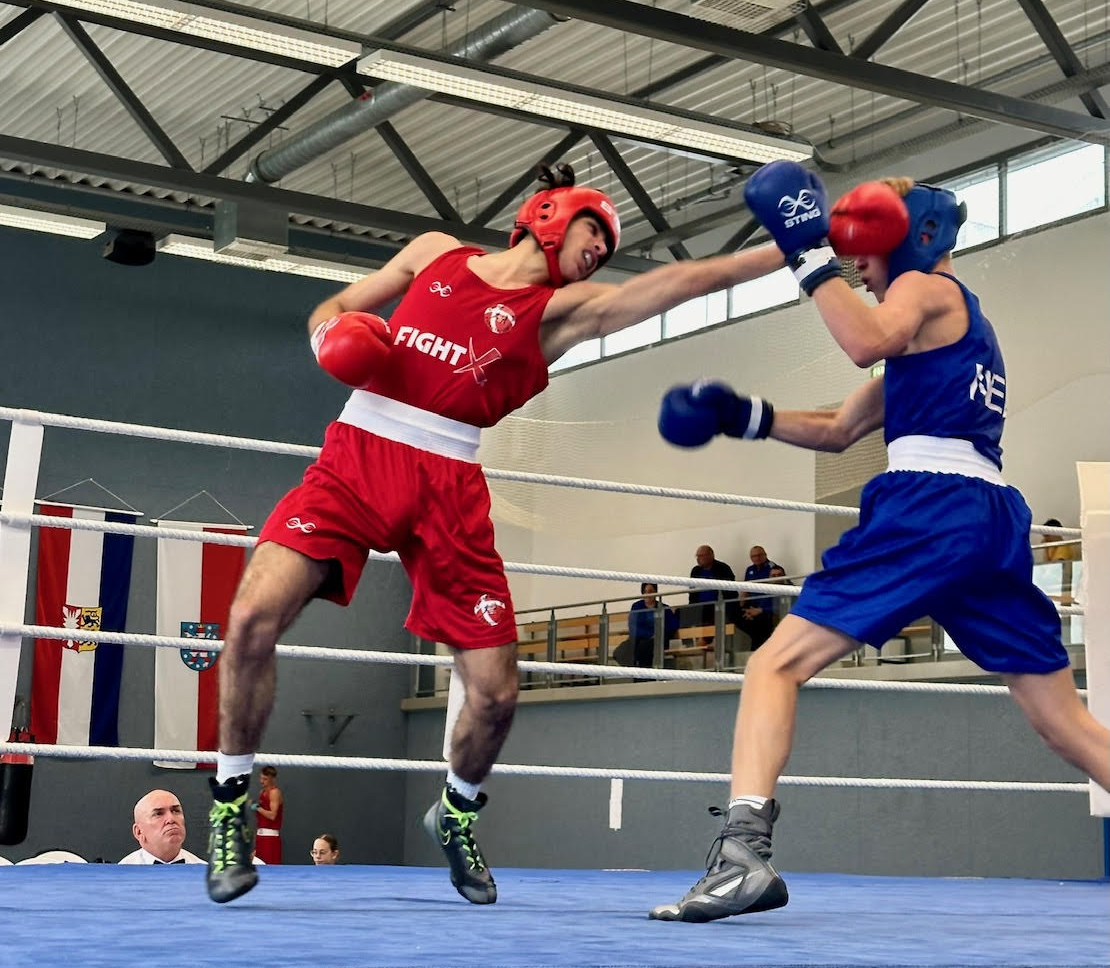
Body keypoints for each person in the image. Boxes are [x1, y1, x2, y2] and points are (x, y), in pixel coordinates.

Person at [205, 162, 786, 906]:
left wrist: (797, 251)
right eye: (593, 232)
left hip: (450, 487)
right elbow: (341, 304)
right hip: (357, 457)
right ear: (548, 213)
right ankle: (229, 799)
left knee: (495, 694)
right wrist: (331, 338)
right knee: (253, 614)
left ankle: (455, 811)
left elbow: (675, 285)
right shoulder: (432, 254)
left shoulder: (560, 314)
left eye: (607, 247)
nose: (600, 251)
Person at [652, 162, 1110, 923]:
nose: (859, 269)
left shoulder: (927, 291)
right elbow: (838, 430)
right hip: (988, 516)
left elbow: (863, 342)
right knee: (1064, 723)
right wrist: (747, 414)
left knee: (773, 662)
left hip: (930, 509)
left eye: (866, 251)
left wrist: (806, 255)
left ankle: (742, 856)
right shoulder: (955, 327)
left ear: (910, 237)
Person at [119, 789, 204, 864]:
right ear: (139, 832)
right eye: (159, 814)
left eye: (176, 811)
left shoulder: (205, 872)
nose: (171, 819)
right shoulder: (120, 875)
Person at [739, 545, 786, 651]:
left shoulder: (772, 568)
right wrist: (743, 606)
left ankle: (757, 652)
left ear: (765, 555)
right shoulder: (750, 570)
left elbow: (772, 594)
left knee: (758, 624)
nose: (757, 558)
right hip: (752, 606)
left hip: (767, 608)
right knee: (735, 614)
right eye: (754, 556)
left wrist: (759, 610)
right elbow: (745, 590)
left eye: (759, 555)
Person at [626, 582, 679, 670]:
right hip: (640, 640)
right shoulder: (637, 607)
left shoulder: (663, 608)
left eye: (650, 591)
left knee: (643, 648)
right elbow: (633, 626)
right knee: (621, 650)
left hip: (659, 641)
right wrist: (650, 635)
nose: (648, 594)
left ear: (656, 592)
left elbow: (672, 625)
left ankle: (645, 676)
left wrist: (658, 634)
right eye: (645, 591)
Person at [686, 544, 739, 629]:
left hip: (718, 606)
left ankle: (705, 640)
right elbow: (692, 593)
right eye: (697, 556)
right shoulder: (696, 571)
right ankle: (688, 642)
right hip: (700, 607)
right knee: (681, 613)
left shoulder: (723, 568)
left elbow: (731, 591)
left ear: (711, 555)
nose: (698, 559)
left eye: (701, 556)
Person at [253, 764, 283, 865]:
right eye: (261, 778)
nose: (262, 781)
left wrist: (258, 808)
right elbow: (262, 816)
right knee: (259, 865)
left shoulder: (275, 792)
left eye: (265, 779)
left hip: (270, 839)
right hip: (260, 836)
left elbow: (272, 815)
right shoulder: (262, 792)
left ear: (272, 779)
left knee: (271, 867)